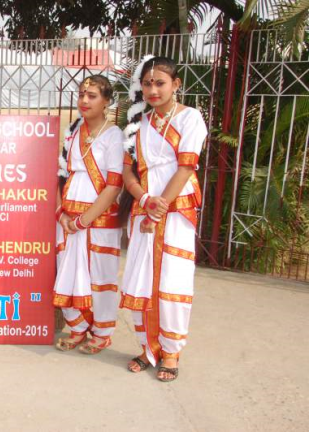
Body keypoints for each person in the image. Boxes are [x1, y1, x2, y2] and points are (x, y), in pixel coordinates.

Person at [119, 56, 207, 382]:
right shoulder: (137, 125)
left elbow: (185, 168)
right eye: (147, 84)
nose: (153, 90)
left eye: (160, 83)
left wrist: (159, 208)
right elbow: (128, 172)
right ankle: (148, 348)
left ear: (176, 84)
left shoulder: (190, 118)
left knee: (172, 281)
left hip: (176, 209)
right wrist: (144, 200)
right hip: (145, 207)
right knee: (142, 280)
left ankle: (170, 352)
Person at [53, 75, 124, 354]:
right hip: (68, 218)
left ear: (106, 101)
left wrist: (84, 220)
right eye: (82, 94)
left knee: (99, 275)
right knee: (69, 271)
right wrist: (62, 214)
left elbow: (114, 185)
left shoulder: (114, 135)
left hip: (98, 219)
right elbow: (61, 175)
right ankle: (78, 328)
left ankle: (102, 333)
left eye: (92, 95)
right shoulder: (72, 131)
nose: (84, 100)